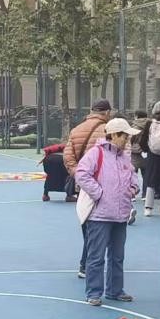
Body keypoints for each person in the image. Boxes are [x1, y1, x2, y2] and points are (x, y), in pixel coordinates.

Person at [76, 117, 140, 306]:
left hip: (121, 214)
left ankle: (115, 290)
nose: (127, 140)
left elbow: (133, 175)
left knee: (117, 256)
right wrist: (98, 193)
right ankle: (94, 293)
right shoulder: (96, 153)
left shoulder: (124, 156)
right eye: (124, 136)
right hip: (100, 215)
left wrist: (133, 188)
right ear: (114, 135)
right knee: (96, 256)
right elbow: (81, 174)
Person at [65, 100, 114, 276]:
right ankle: (91, 264)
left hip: (84, 187)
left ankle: (85, 264)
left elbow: (68, 157)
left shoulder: (76, 130)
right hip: (106, 186)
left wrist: (80, 175)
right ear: (107, 112)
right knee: (105, 228)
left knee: (87, 224)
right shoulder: (109, 130)